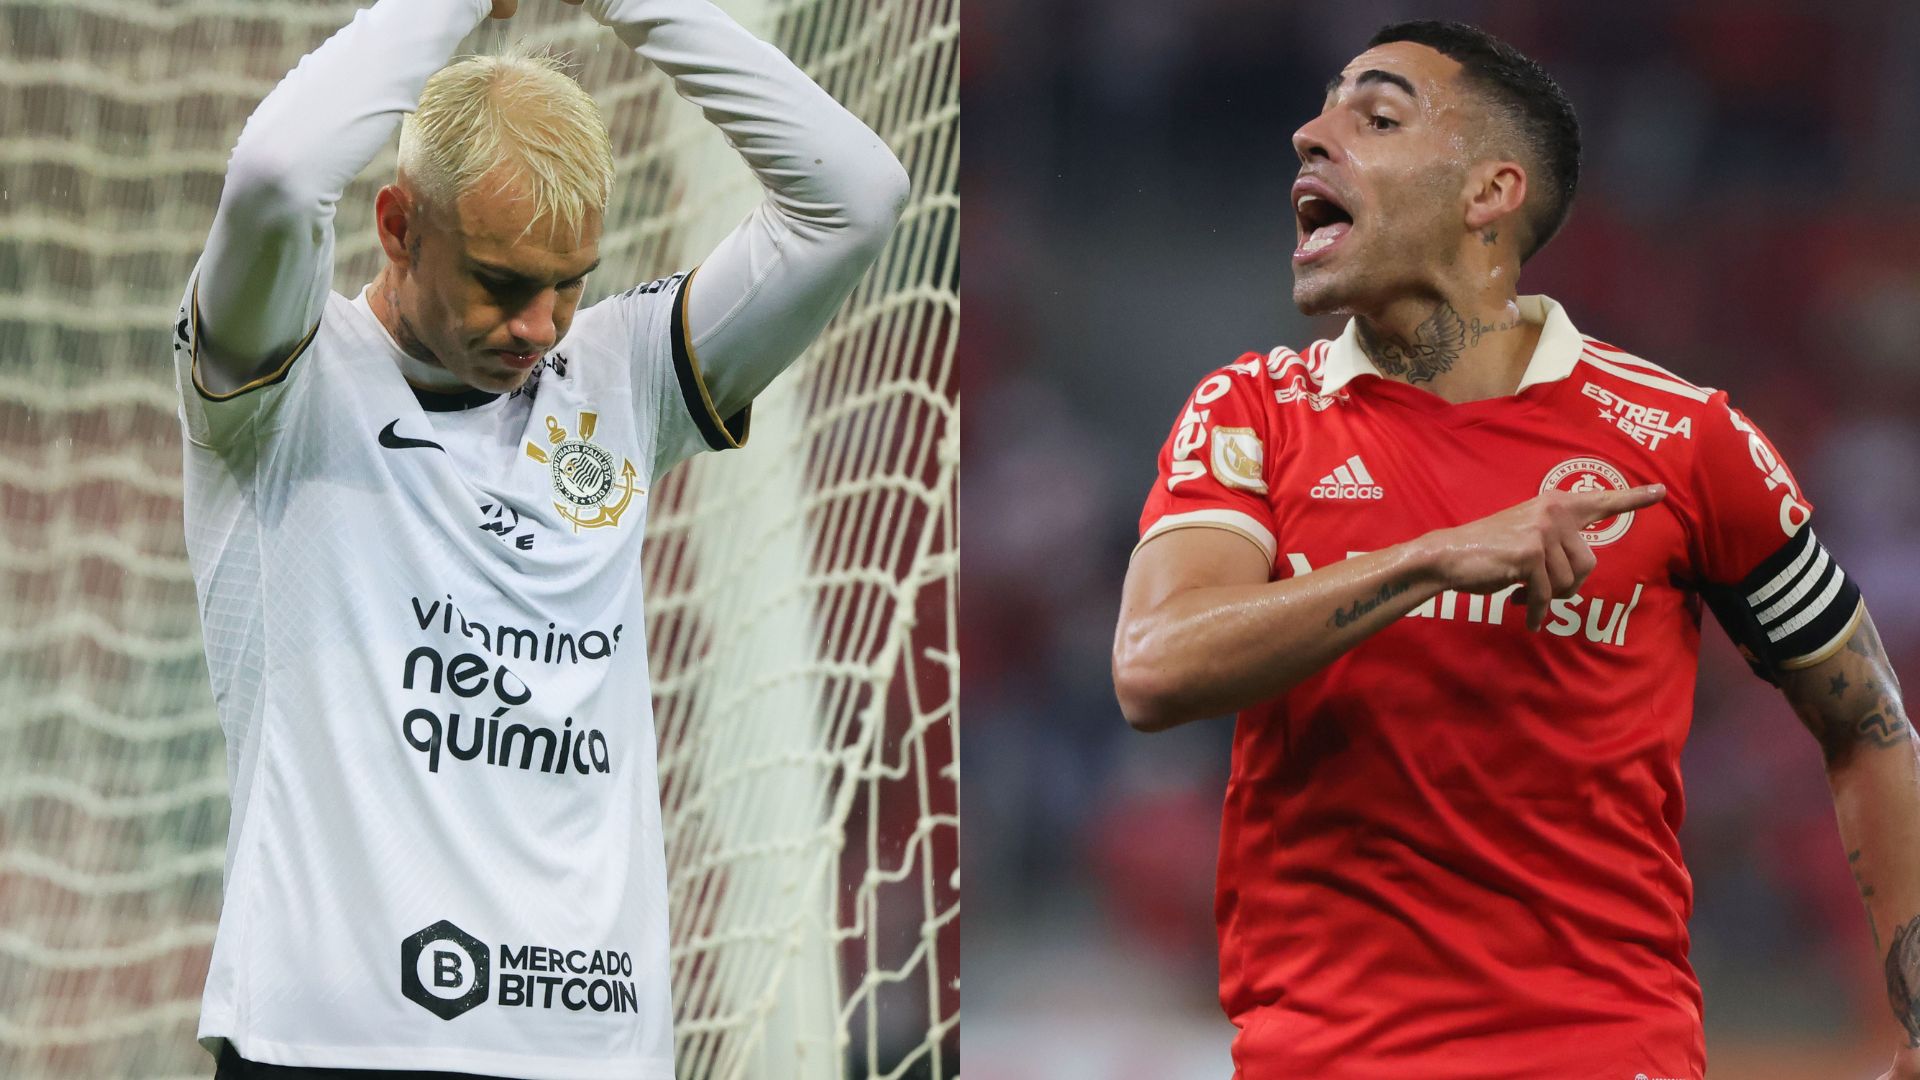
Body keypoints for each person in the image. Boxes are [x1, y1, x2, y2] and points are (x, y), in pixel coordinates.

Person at [1111, 19, 1917, 1080]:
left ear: (1489, 194)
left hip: (1600, 1053)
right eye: (1321, 109)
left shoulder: (1684, 440)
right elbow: (1154, 667)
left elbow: (1866, 723)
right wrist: (1434, 558)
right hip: (1323, 1061)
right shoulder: (1254, 413)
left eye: (1376, 114)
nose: (1310, 134)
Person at [171, 0, 906, 1074]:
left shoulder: (623, 378)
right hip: (331, 1040)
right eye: (504, 285)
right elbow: (280, 173)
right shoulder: (283, 374)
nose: (540, 328)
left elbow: (857, 199)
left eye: (570, 285)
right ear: (398, 225)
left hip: (591, 1048)